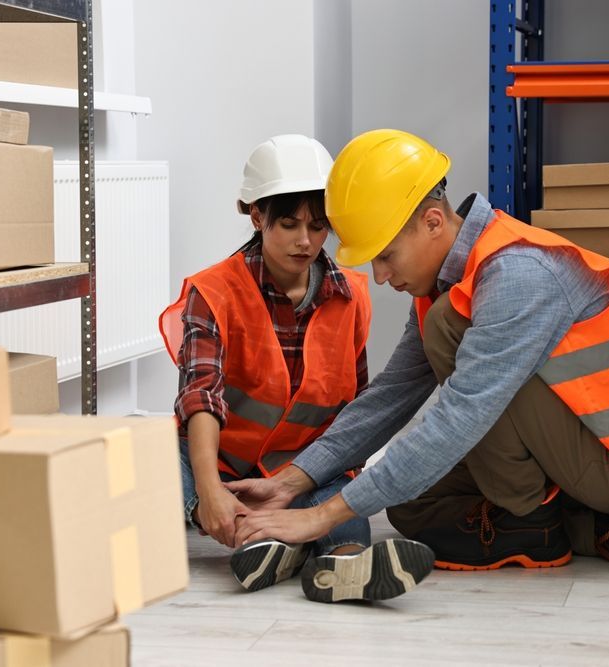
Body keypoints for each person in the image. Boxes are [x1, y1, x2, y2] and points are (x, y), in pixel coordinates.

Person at [230, 129, 609, 575]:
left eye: (387, 255)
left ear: (433, 222)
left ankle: (541, 516)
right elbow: (391, 395)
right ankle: (592, 529)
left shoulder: (516, 276)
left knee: (446, 339)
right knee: (411, 503)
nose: (379, 276)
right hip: (572, 448)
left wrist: (321, 517)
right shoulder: (453, 281)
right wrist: (293, 480)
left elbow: (460, 417)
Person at [159, 134, 434, 603]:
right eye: (288, 224)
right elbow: (200, 396)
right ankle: (269, 538)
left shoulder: (352, 296)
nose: (305, 241)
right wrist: (209, 490)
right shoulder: (213, 292)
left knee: (335, 490)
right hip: (224, 467)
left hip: (305, 469)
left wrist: (326, 477)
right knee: (163, 457)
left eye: (319, 225)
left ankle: (343, 563)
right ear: (256, 216)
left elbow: (356, 412)